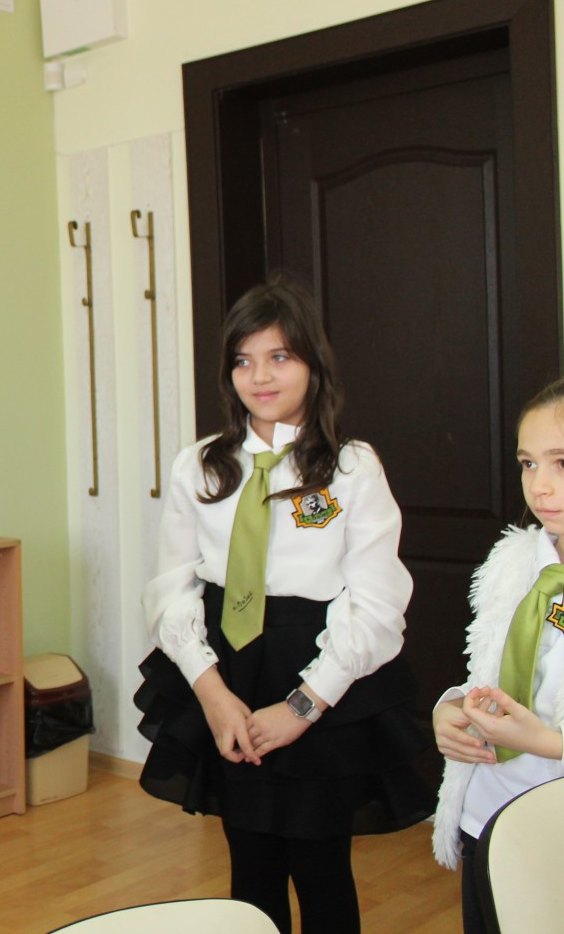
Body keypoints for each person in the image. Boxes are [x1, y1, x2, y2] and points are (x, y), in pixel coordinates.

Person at [133, 280, 433, 934]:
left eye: (279, 357)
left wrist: (303, 707)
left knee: (321, 871)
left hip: (321, 671)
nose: (260, 376)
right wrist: (212, 695)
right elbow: (171, 587)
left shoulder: (351, 469)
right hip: (227, 668)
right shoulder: (199, 467)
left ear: (312, 365)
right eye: (243, 361)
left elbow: (375, 602)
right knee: (250, 865)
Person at [432, 378, 564, 933]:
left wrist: (547, 742)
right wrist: (452, 708)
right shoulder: (515, 559)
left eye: (563, 463)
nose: (540, 486)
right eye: (528, 464)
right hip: (487, 812)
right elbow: (486, 666)